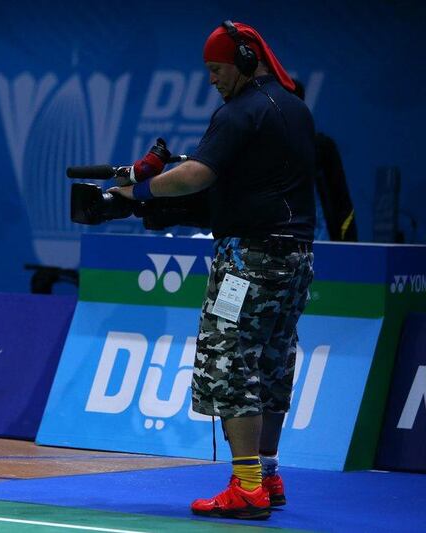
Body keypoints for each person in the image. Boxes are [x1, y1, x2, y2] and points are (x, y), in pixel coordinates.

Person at [111, 20, 315, 521]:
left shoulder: (238, 112)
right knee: (271, 360)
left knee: (228, 362)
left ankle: (245, 487)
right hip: (297, 256)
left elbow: (197, 175)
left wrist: (137, 192)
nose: (212, 80)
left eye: (217, 69)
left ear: (247, 60)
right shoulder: (296, 108)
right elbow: (249, 186)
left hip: (249, 258)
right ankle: (267, 474)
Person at [292, 79, 358, 242]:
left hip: (321, 246)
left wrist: (348, 247)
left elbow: (341, 201)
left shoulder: (322, 148)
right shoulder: (261, 149)